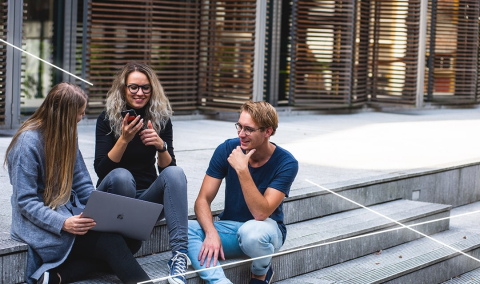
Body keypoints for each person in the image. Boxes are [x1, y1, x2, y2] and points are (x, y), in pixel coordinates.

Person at [5, 82, 153, 284]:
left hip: (70, 212)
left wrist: (97, 212)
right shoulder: (27, 143)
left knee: (132, 240)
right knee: (112, 243)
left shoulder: (66, 135)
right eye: (80, 113)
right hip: (42, 222)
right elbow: (25, 202)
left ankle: (58, 276)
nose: (82, 117)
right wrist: (63, 223)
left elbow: (82, 182)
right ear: (64, 115)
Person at [94, 61, 189, 284]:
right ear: (123, 88)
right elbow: (101, 169)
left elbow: (168, 169)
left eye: (145, 87)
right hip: (115, 197)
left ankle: (179, 257)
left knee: (176, 173)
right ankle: (119, 245)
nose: (140, 93)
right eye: (133, 87)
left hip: (145, 201)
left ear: (152, 89)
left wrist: (160, 146)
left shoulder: (160, 119)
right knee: (122, 176)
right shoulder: (107, 119)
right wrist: (124, 139)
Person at [187, 101, 299, 284]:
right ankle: (219, 282)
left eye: (248, 129)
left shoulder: (286, 163)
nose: (241, 134)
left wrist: (242, 170)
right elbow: (202, 200)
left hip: (265, 231)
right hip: (231, 228)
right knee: (185, 228)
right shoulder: (227, 149)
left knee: (252, 232)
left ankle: (260, 273)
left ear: (267, 132)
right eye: (239, 126)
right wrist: (210, 232)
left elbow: (261, 213)